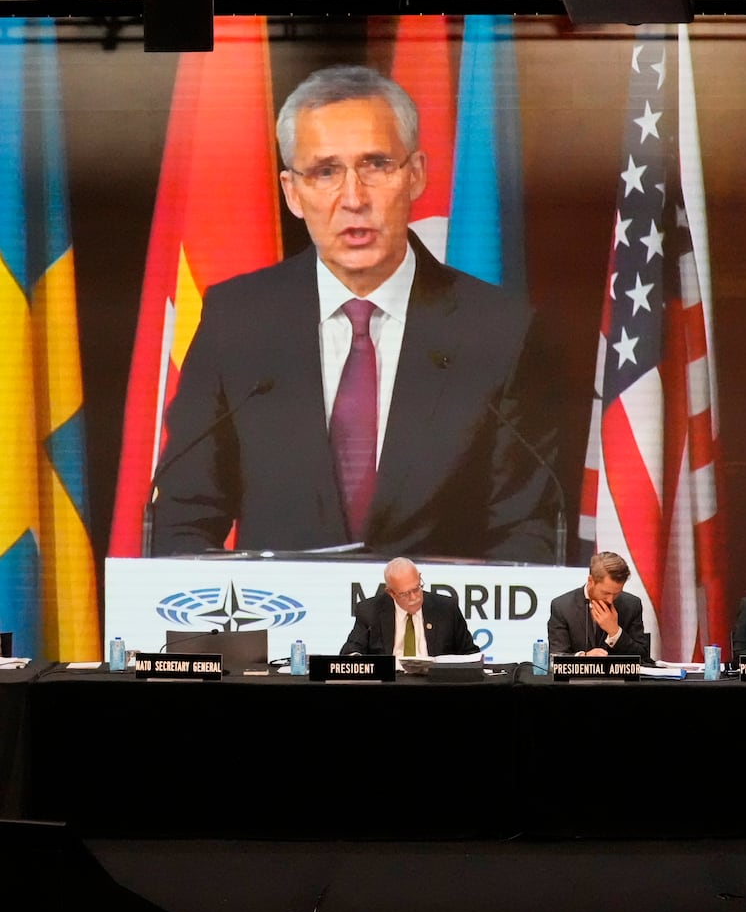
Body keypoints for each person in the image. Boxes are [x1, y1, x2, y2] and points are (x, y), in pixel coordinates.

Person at [149, 65, 554, 561]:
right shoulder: (238, 321)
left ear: (417, 175)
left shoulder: (497, 331)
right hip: (277, 633)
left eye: (377, 165)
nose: (353, 198)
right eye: (325, 172)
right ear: (292, 192)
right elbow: (182, 521)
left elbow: (526, 532)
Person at [340, 557, 477, 657]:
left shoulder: (446, 609)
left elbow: (471, 654)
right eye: (405, 594)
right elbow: (351, 651)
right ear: (391, 593)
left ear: (419, 578)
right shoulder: (370, 611)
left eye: (416, 589)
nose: (414, 598)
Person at [547, 551, 650, 657]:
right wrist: (584, 657)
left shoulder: (631, 605)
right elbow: (556, 656)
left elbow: (643, 657)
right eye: (606, 593)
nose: (610, 600)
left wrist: (615, 632)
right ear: (591, 581)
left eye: (616, 593)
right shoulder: (562, 607)